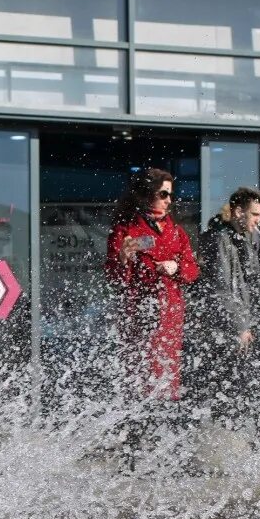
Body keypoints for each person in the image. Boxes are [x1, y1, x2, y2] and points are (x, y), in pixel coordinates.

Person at [103, 167, 198, 401]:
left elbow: (192, 269)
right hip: (141, 311)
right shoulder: (125, 230)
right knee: (141, 373)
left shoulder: (177, 232)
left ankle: (165, 421)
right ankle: (138, 423)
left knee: (167, 372)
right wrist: (124, 259)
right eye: (163, 194)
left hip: (170, 311)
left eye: (171, 195)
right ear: (146, 194)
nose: (168, 200)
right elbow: (114, 277)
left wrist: (176, 269)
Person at [191, 186, 260, 428]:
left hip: (239, 323)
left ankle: (229, 441)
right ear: (238, 212)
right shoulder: (220, 239)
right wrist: (240, 325)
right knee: (223, 385)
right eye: (255, 214)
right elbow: (221, 288)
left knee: (237, 386)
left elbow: (250, 284)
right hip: (223, 326)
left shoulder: (245, 239)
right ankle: (218, 443)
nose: (259, 220)